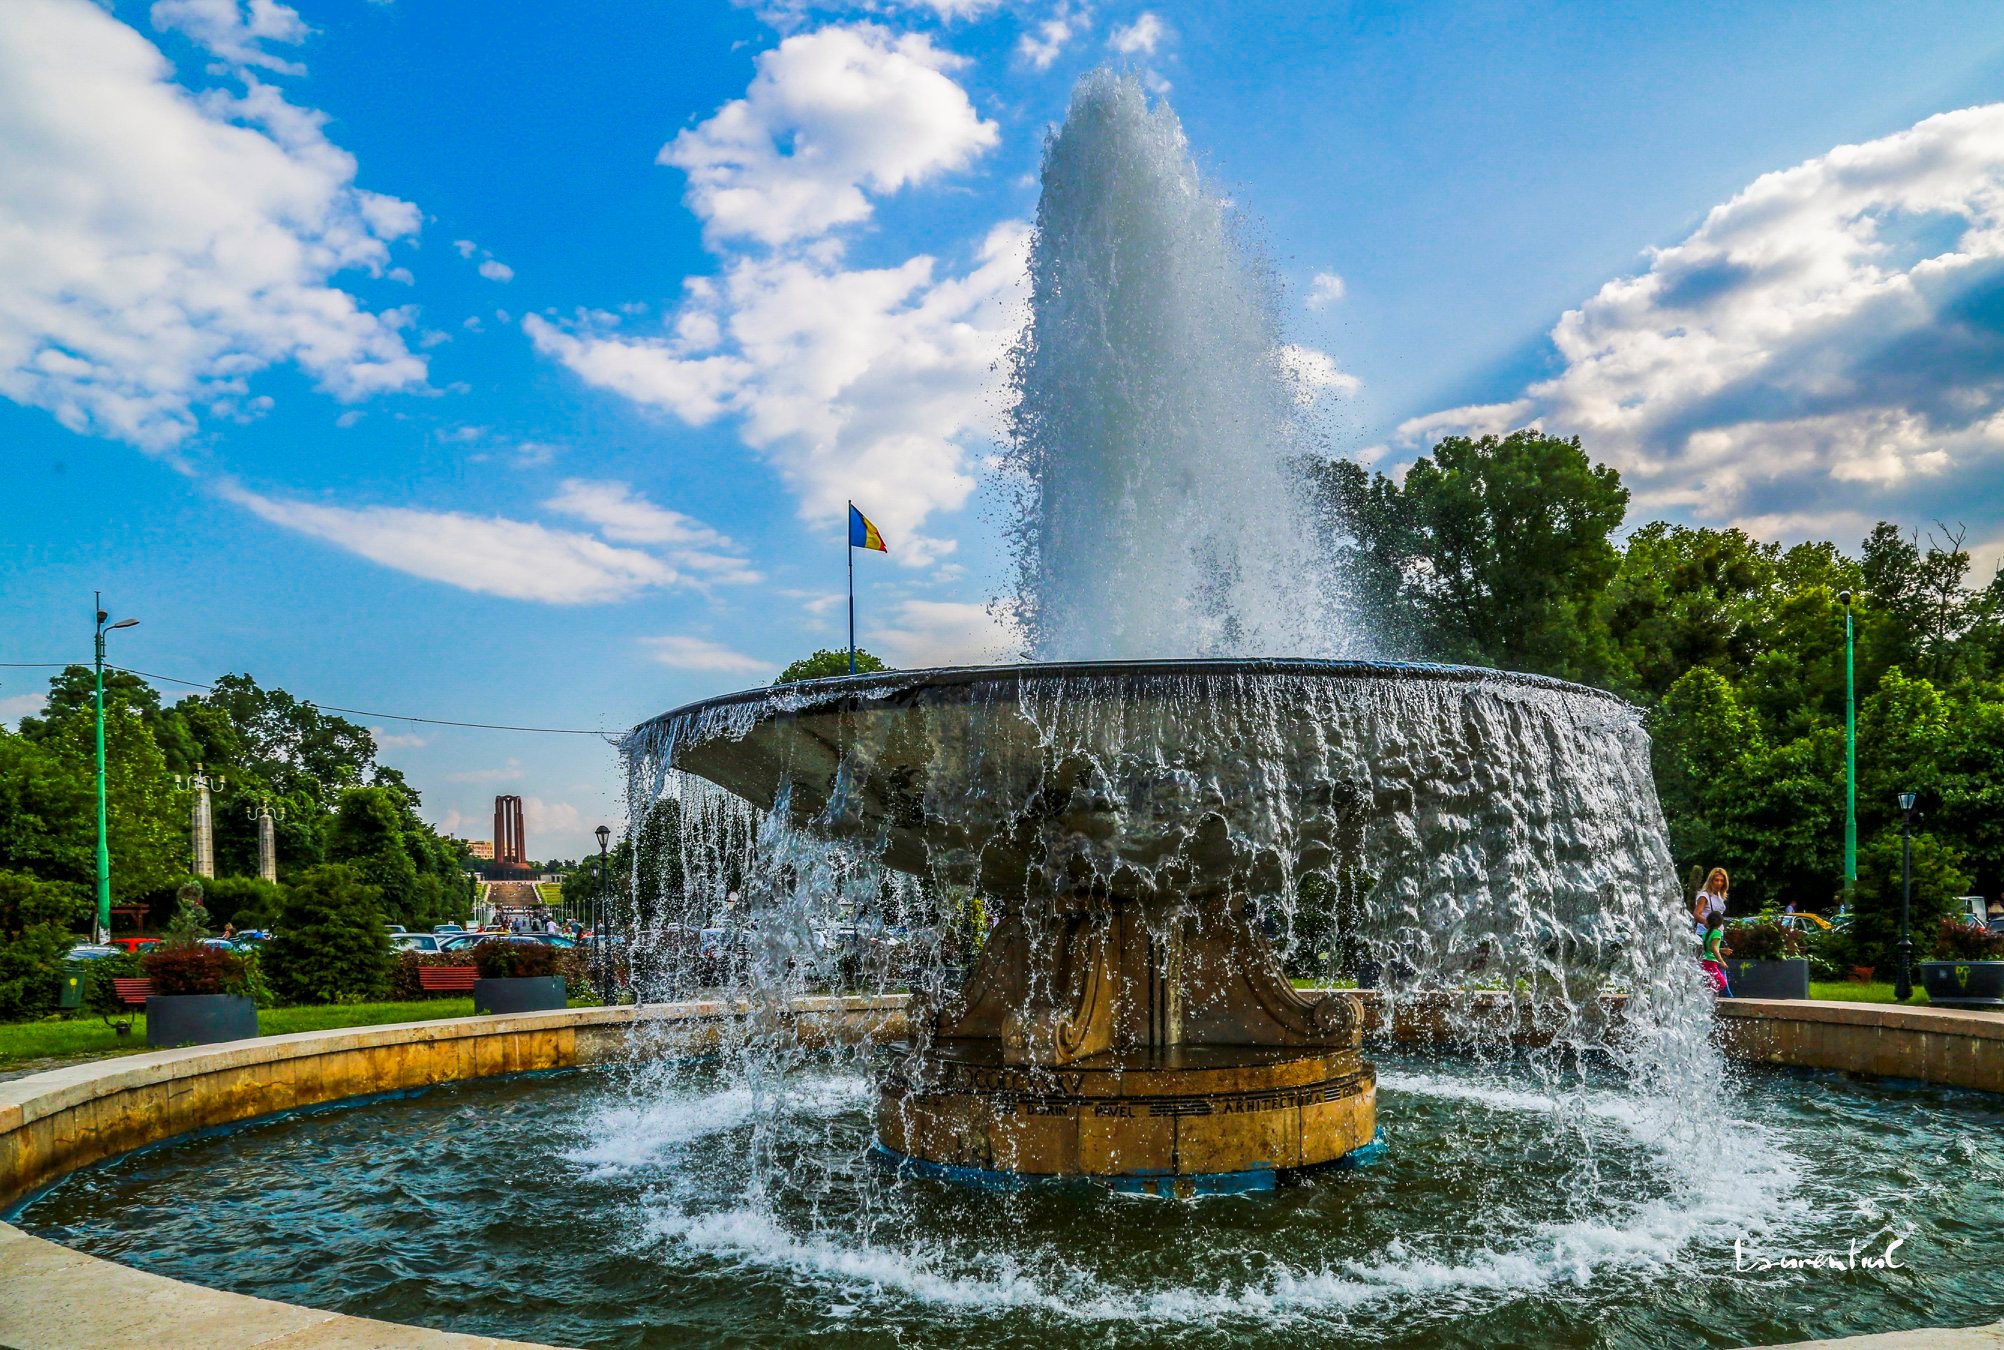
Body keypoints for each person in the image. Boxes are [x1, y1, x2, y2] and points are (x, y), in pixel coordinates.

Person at [1700, 917, 1733, 996]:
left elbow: (1708, 948)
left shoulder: (1706, 933)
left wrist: (1722, 950)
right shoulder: (1717, 933)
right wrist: (1721, 961)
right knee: (1721, 983)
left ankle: (1707, 996)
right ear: (1720, 924)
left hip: (1704, 960)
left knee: (1710, 982)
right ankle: (1708, 997)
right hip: (1711, 962)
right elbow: (1713, 948)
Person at [1692, 867, 1729, 936]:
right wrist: (1708, 923)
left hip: (1718, 933)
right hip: (1705, 933)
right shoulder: (1705, 896)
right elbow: (1696, 914)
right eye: (1716, 880)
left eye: (1722, 881)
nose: (1719, 883)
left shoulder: (1720, 895)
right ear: (1711, 881)